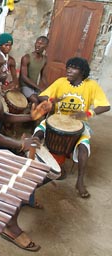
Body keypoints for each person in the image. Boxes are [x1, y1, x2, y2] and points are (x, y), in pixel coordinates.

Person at [0, 48, 51, 252]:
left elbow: (4, 117)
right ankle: (10, 226)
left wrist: (31, 118)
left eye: (4, 64)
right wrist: (19, 145)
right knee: (21, 171)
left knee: (36, 164)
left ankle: (25, 198)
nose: (5, 68)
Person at [34, 57, 110, 198]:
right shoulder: (61, 82)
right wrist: (51, 101)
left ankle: (79, 181)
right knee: (38, 132)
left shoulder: (91, 85)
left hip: (79, 124)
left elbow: (105, 106)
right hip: (55, 120)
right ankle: (31, 166)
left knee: (84, 147)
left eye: (73, 67)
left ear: (82, 72)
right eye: (68, 67)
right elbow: (42, 96)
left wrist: (88, 113)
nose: (69, 69)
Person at [20, 36, 49, 105]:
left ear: (46, 47)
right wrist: (38, 87)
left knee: (47, 100)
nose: (38, 45)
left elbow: (43, 76)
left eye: (41, 44)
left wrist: (48, 88)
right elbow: (24, 77)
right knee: (36, 101)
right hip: (25, 86)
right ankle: (30, 115)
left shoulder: (45, 59)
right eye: (37, 43)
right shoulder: (27, 57)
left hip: (35, 87)